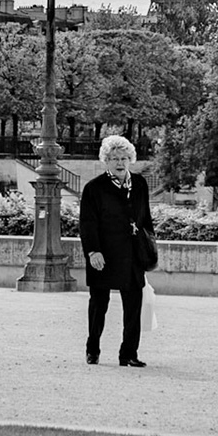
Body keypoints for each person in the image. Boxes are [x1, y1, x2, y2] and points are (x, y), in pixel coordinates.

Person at [78, 134, 153, 368]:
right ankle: (93, 349)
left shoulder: (139, 184)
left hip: (132, 255)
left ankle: (129, 353)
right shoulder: (94, 188)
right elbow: (87, 223)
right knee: (99, 304)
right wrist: (93, 252)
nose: (119, 162)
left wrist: (148, 244)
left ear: (130, 159)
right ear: (106, 161)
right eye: (113, 158)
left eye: (123, 158)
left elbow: (146, 218)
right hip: (104, 254)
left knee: (134, 305)